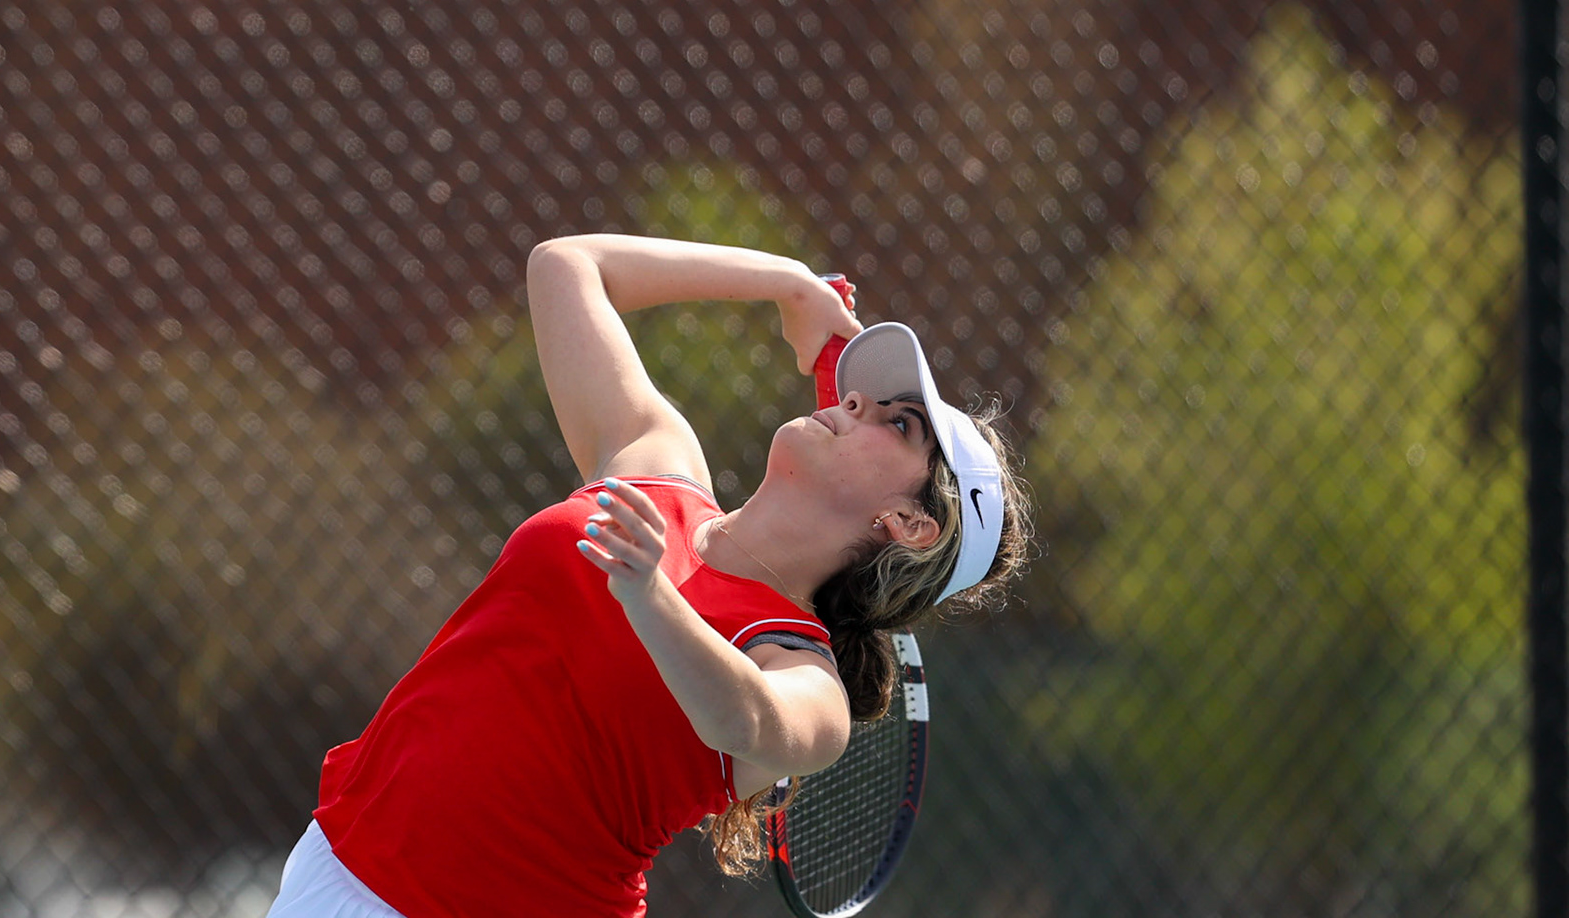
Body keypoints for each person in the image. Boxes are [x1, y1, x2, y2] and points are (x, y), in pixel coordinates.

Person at [266, 234, 1033, 918]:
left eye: (898, 423)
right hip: (337, 862)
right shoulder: (656, 460)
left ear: (908, 525)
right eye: (872, 398)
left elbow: (746, 720)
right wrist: (788, 284)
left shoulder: (804, 676)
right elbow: (565, 265)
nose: (857, 400)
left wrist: (650, 594)